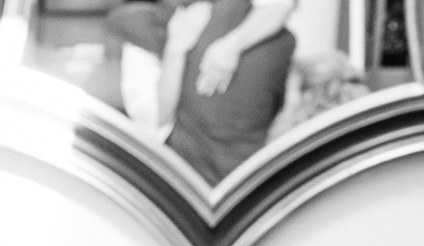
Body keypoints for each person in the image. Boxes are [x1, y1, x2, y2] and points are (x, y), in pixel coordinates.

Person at [108, 0, 297, 183]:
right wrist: (176, 50)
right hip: (207, 170)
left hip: (232, 168)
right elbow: (156, 116)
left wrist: (230, 46)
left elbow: (280, 6)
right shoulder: (143, 26)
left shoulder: (257, 21)